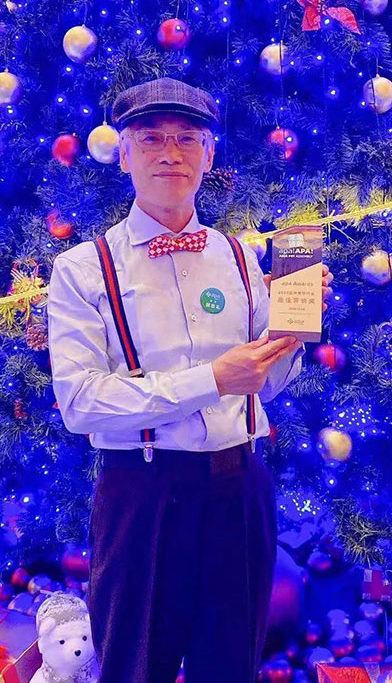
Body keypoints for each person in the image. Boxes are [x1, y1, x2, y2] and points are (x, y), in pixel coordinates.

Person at [47, 76, 334, 683]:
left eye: (187, 139)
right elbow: (80, 402)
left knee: (230, 665)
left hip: (239, 487)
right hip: (141, 494)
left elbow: (266, 385)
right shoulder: (81, 269)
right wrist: (212, 379)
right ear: (124, 155)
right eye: (151, 138)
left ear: (208, 154)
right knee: (134, 664)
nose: (170, 153)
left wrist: (292, 330)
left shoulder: (240, 257)